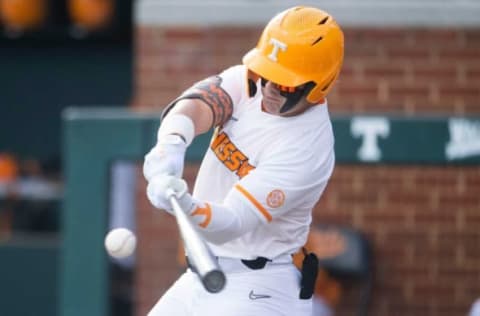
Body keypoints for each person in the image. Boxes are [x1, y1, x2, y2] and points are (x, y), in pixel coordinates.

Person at [143, 5, 344, 316]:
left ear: (318, 87)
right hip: (199, 274)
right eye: (267, 75)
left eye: (285, 83)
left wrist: (182, 203)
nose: (269, 89)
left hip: (259, 287)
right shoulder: (249, 81)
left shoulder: (307, 148)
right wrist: (171, 144)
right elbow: (198, 106)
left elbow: (230, 224)